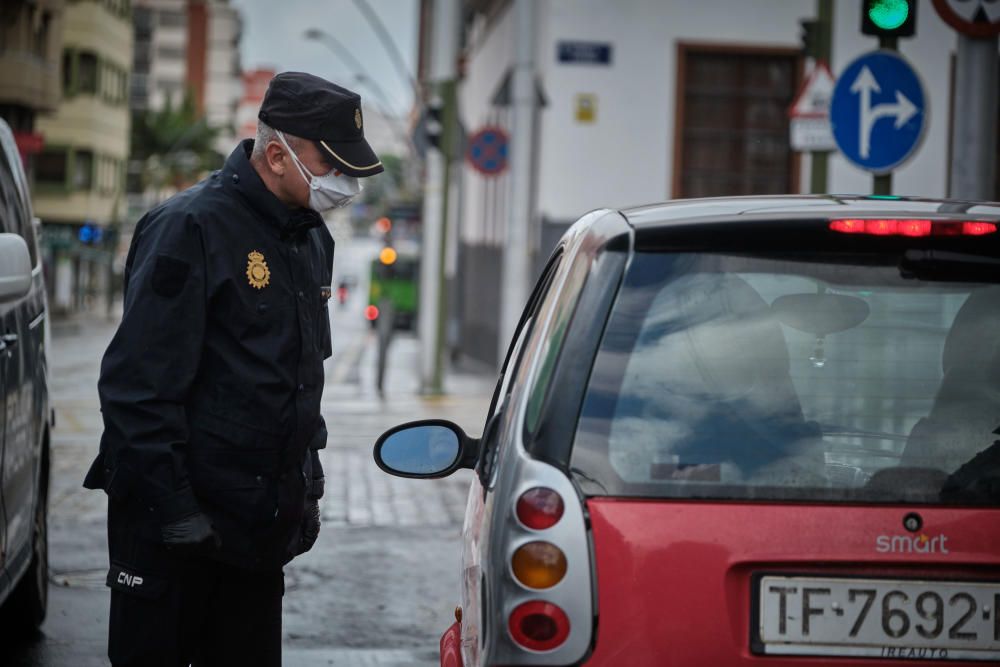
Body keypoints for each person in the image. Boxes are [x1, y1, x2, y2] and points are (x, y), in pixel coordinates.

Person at [83, 72, 384, 666]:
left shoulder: (308, 238)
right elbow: (136, 390)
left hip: (254, 535)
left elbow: (299, 378)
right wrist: (175, 511)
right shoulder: (189, 228)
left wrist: (309, 487)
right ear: (277, 154)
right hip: (174, 531)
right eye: (330, 166)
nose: (342, 183)